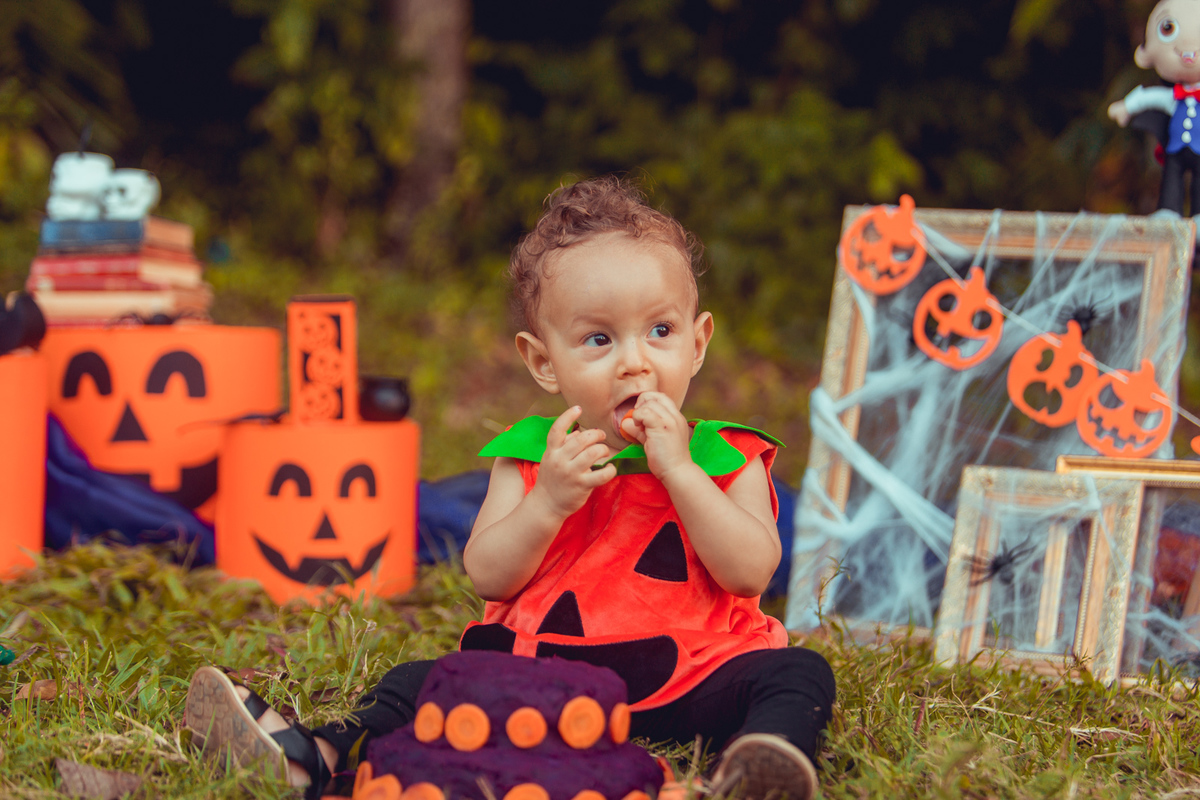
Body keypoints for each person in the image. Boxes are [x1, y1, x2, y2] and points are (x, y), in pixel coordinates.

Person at [186, 176, 836, 800]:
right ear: (544, 362)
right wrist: (549, 501)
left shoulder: (725, 457)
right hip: (544, 685)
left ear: (697, 344)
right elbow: (490, 577)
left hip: (692, 683)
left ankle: (752, 766)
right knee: (419, 682)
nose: (635, 361)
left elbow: (751, 572)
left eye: (660, 331)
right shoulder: (530, 459)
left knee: (797, 673)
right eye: (599, 339)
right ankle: (313, 755)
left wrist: (682, 472)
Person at [1108, 0, 1200, 216]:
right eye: (1167, 28)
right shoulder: (1172, 97)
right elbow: (1148, 97)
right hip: (1175, 151)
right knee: (1171, 179)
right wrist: (1126, 107)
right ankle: (1168, 210)